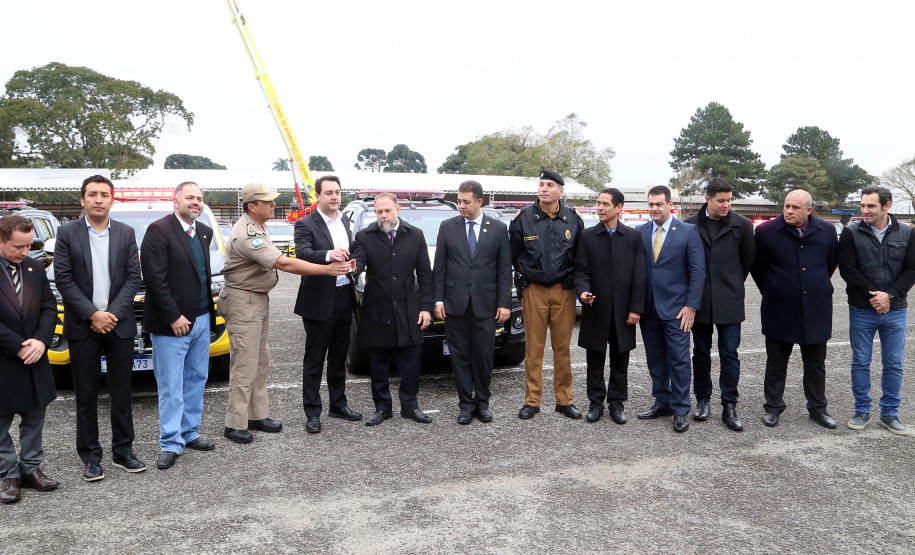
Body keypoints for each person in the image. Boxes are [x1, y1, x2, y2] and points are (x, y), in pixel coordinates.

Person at [221, 183, 352, 443]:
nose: (273, 205)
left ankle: (256, 415)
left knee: (259, 362)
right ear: (251, 207)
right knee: (245, 365)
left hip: (256, 299)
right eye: (267, 202)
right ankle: (234, 423)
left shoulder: (259, 227)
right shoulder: (248, 232)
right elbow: (285, 262)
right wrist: (327, 269)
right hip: (243, 301)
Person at [54, 175, 145, 480]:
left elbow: (134, 278)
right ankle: (91, 456)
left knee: (122, 392)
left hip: (118, 326)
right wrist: (93, 314)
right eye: (92, 194)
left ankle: (123, 451)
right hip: (83, 327)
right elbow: (64, 280)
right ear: (82, 200)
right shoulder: (66, 233)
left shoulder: (126, 233)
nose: (98, 199)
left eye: (104, 194)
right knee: (86, 395)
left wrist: (111, 314)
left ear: (112, 199)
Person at [141, 182, 219, 469]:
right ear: (176, 201)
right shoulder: (159, 230)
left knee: (197, 379)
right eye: (190, 197)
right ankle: (170, 442)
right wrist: (173, 316)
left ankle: (190, 433)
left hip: (201, 318)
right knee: (171, 384)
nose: (195, 202)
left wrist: (207, 316)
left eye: (199, 198)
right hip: (172, 324)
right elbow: (154, 279)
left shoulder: (204, 232)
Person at [752, 189, 838, 429]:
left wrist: (816, 285)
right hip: (779, 308)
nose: (789, 211)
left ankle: (818, 409)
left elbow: (830, 264)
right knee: (776, 363)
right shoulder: (766, 231)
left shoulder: (827, 231)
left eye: (795, 208)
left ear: (809, 210)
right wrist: (772, 289)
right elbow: (758, 268)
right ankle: (773, 408)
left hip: (816, 309)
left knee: (815, 364)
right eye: (786, 206)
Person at [350, 192, 434, 426]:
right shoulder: (365, 236)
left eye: (387, 210)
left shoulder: (414, 235)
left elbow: (426, 275)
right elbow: (359, 260)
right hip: (377, 308)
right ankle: (382, 408)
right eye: (378, 211)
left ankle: (410, 406)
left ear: (398, 210)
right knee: (378, 363)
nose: (383, 215)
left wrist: (426, 307)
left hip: (409, 307)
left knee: (411, 361)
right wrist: (354, 267)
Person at [433, 180, 512, 424]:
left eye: (466, 202)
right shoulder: (448, 227)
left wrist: (504, 303)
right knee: (460, 357)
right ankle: (466, 404)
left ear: (480, 202)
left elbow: (503, 269)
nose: (461, 206)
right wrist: (438, 300)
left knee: (484, 356)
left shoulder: (498, 229)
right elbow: (440, 268)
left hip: (486, 305)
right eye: (459, 201)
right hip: (455, 305)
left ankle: (483, 403)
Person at [838, 185, 915, 435]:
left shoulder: (907, 233)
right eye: (862, 205)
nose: (865, 210)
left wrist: (890, 296)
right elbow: (848, 270)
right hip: (862, 309)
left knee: (894, 363)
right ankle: (862, 410)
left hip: (895, 309)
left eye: (870, 206)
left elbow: (911, 270)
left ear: (887, 206)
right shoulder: (851, 232)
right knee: (860, 361)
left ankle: (889, 414)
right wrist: (875, 295)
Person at [509, 170, 584, 420]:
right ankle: (532, 400)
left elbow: (581, 256)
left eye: (550, 185)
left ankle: (564, 400)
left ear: (560, 191)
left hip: (564, 291)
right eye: (541, 184)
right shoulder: (523, 218)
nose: (544, 189)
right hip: (534, 291)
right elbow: (513, 255)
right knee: (534, 348)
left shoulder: (573, 219)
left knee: (562, 348)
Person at [683, 178, 755, 431]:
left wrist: (728, 284)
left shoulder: (744, 226)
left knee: (729, 354)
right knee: (700, 353)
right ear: (708, 199)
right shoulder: (689, 225)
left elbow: (746, 263)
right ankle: (703, 400)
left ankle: (730, 405)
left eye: (729, 200)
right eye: (720, 201)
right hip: (699, 302)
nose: (726, 205)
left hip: (729, 302)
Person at [293, 176, 363, 434]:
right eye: (329, 193)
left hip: (344, 295)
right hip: (318, 300)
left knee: (338, 355)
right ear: (318, 196)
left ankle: (338, 404)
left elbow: (352, 249)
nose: (335, 197)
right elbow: (301, 253)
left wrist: (353, 261)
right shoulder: (305, 224)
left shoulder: (344, 219)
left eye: (338, 192)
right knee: (315, 358)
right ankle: (312, 412)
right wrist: (328, 256)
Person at [0, 215, 59, 503]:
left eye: (29, 245)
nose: (24, 252)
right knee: (1, 421)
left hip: (36, 356)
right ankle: (8, 474)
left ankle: (31, 467)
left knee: (35, 416)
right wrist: (18, 345)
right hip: (4, 359)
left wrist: (40, 340)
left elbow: (50, 307)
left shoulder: (35, 267)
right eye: (17, 247)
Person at [637, 185, 705, 433]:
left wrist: (691, 306)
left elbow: (698, 272)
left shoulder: (688, 232)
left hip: (678, 311)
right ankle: (662, 402)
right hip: (649, 309)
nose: (654, 209)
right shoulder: (641, 232)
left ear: (670, 205)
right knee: (655, 360)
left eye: (659, 204)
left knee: (678, 360)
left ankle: (680, 409)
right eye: (651, 204)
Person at [574, 188, 645, 424]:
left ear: (618, 208)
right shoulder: (587, 236)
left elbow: (639, 275)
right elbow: (581, 271)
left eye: (605, 204)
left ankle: (617, 403)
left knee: (620, 358)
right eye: (599, 203)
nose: (600, 208)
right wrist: (582, 291)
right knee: (595, 357)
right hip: (596, 308)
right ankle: (596, 403)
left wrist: (636, 308)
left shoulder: (633, 237)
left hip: (624, 310)